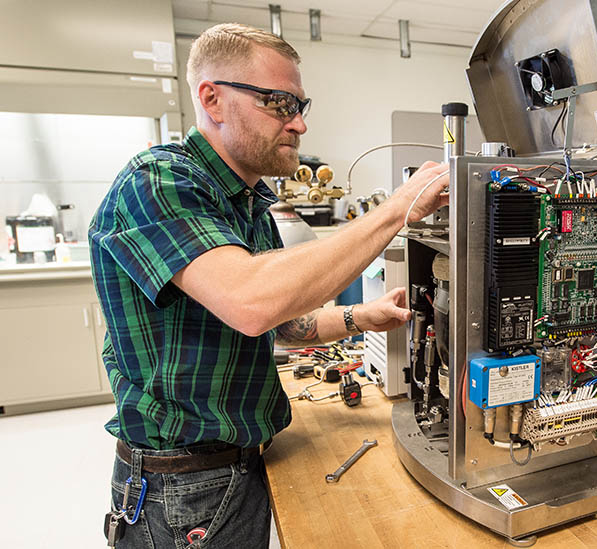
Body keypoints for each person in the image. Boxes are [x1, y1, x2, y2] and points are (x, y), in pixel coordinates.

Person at [89, 22, 449, 548]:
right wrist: (397, 209)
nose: (299, 124)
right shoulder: (159, 182)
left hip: (236, 467)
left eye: (302, 105)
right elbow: (251, 302)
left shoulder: (246, 203)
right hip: (182, 488)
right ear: (211, 99)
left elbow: (277, 324)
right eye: (279, 103)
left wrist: (357, 318)